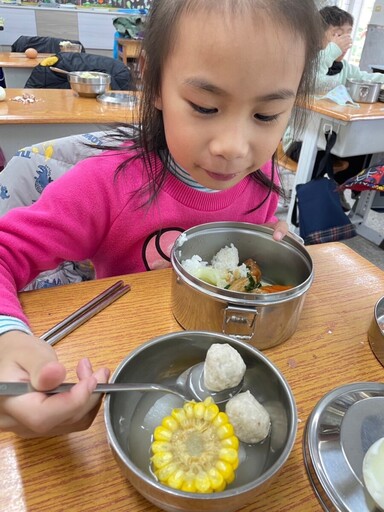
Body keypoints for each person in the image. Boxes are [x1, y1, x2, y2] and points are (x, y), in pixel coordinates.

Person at [0, 0, 323, 438]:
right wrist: (7, 337)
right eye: (205, 106)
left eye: (266, 115)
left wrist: (263, 237)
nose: (233, 146)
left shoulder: (261, 177)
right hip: (130, 380)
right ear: (153, 80)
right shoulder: (105, 185)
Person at [283, 6, 384, 210]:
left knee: (362, 155)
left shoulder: (345, 68)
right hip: (299, 139)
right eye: (338, 34)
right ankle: (312, 204)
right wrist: (331, 52)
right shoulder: (309, 62)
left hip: (331, 137)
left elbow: (366, 78)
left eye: (348, 34)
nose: (345, 40)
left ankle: (338, 190)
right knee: (320, 159)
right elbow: (315, 83)